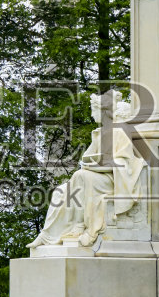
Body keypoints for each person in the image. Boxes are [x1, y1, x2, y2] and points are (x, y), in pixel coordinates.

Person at [35, 92, 147, 249]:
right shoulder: (99, 133)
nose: (92, 114)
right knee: (60, 191)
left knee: (82, 176)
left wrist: (100, 166)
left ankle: (88, 229)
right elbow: (88, 158)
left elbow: (124, 162)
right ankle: (48, 235)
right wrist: (93, 164)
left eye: (94, 110)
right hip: (95, 176)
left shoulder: (120, 133)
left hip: (113, 180)